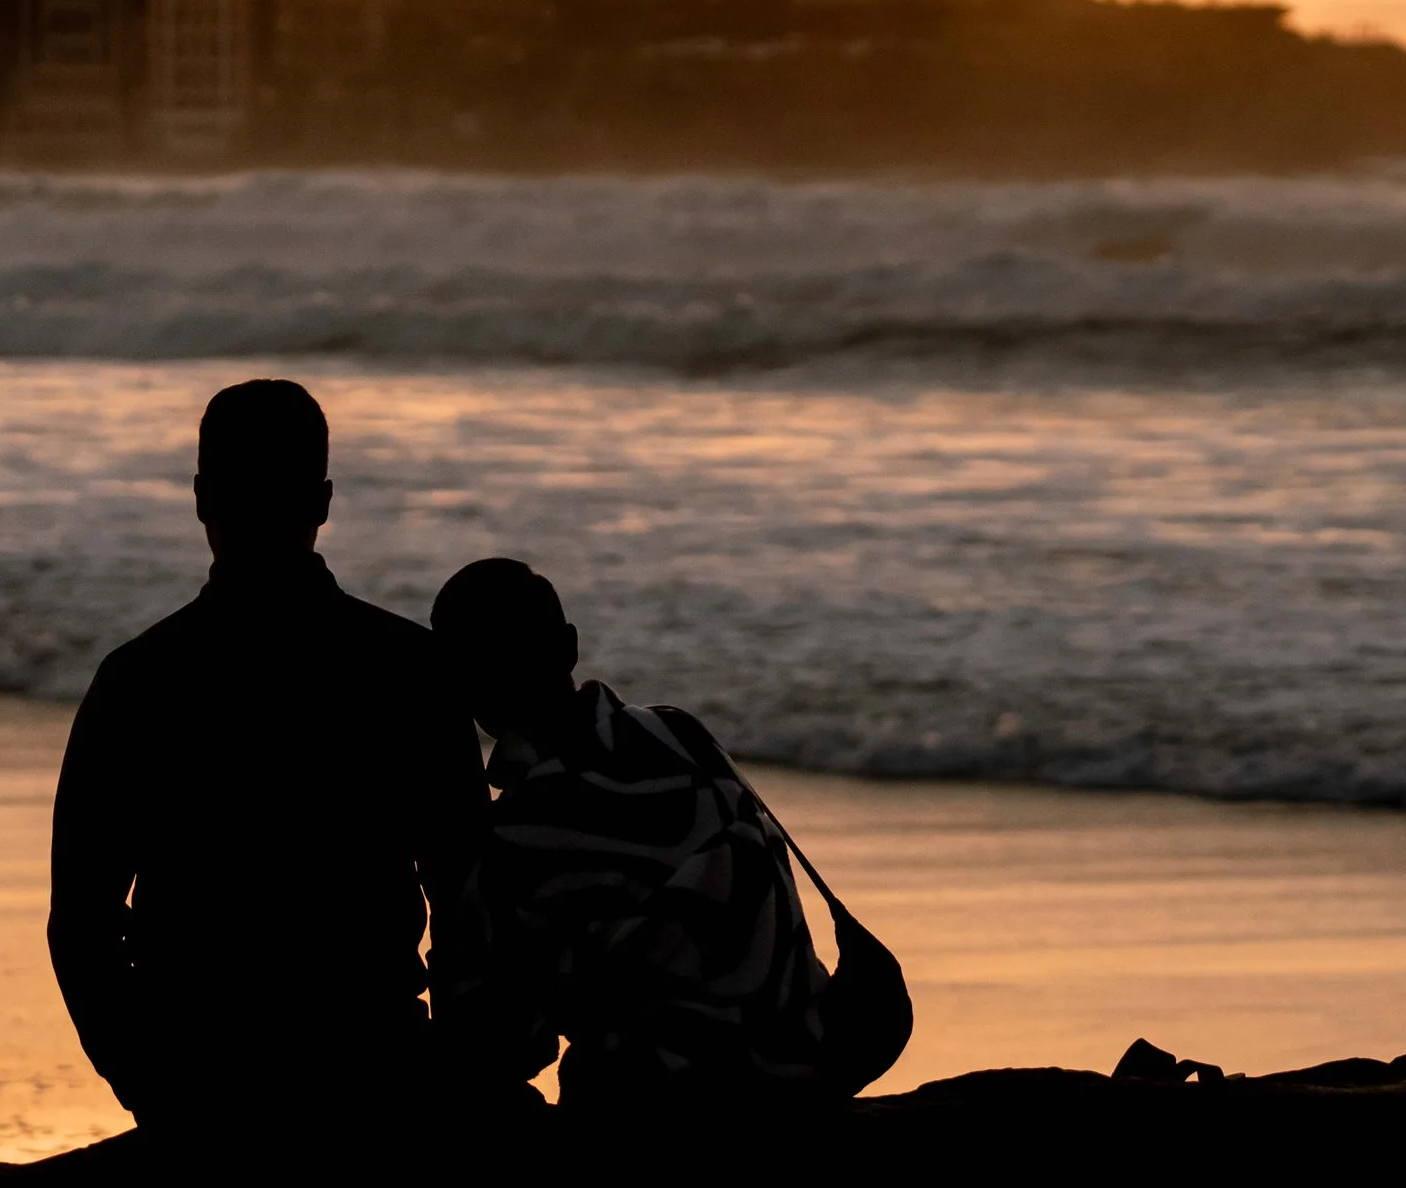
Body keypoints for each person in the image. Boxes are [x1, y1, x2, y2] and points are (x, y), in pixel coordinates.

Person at [47, 380, 491, 1134]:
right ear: (322, 500)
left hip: (199, 1077)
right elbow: (468, 898)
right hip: (372, 1067)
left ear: (199, 498)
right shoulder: (408, 668)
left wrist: (145, 1077)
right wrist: (457, 1067)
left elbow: (81, 925)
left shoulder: (140, 678)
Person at [431, 557, 831, 1113]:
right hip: (804, 1071)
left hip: (661, 1110)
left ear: (459, 684)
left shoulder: (523, 834)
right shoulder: (683, 735)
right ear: (569, 647)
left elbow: (491, 1041)